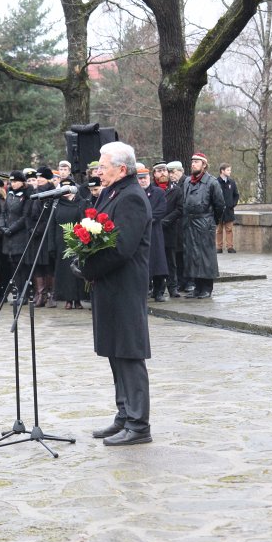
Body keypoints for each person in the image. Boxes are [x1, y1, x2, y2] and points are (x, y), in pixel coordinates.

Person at [78, 141, 152, 447]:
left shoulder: (132, 197)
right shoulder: (112, 192)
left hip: (124, 286)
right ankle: (124, 416)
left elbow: (121, 248)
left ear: (122, 169)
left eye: (103, 166)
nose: (98, 171)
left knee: (129, 355)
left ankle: (138, 424)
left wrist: (88, 269)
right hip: (109, 287)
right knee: (114, 352)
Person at [182, 152, 225, 299]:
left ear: (204, 165)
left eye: (196, 162)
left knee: (206, 255)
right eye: (192, 161)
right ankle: (197, 286)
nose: (193, 164)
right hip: (190, 222)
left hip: (205, 222)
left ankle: (207, 287)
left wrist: (212, 221)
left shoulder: (212, 182)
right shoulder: (187, 181)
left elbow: (219, 205)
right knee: (192, 255)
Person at [48, 178, 88, 309]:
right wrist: (51, 245)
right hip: (62, 242)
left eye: (68, 189)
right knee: (65, 272)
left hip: (78, 241)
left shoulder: (82, 203)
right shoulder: (56, 204)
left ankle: (78, 299)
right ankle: (68, 299)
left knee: (77, 270)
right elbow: (52, 226)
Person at [137, 164, 169, 302]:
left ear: (149, 178)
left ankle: (159, 291)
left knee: (158, 262)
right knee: (144, 264)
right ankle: (144, 290)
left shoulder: (158, 192)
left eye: (144, 178)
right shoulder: (135, 193)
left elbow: (162, 210)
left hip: (154, 231)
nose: (143, 181)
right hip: (139, 232)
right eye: (140, 179)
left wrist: (147, 219)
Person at [0, 170, 31, 299]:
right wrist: (2, 226)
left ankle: (24, 293)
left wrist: (11, 229)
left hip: (20, 235)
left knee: (21, 266)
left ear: (22, 182)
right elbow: (4, 212)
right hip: (9, 236)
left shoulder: (26, 195)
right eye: (11, 181)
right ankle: (17, 292)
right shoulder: (10, 194)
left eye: (16, 181)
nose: (13, 184)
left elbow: (25, 217)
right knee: (13, 266)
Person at [26, 166, 55, 307]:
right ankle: (40, 293)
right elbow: (27, 214)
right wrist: (31, 228)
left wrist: (39, 229)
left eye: (41, 177)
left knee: (48, 264)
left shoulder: (52, 193)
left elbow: (50, 215)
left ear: (48, 179)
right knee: (37, 264)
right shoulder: (34, 192)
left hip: (46, 234)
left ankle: (50, 294)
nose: (38, 180)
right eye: (37, 177)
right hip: (34, 235)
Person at [153, 161, 182, 298]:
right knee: (157, 260)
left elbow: (179, 209)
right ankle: (157, 289)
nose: (163, 173)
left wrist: (167, 220)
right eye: (159, 171)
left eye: (164, 170)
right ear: (154, 174)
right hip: (154, 230)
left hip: (170, 229)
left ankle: (173, 287)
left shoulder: (175, 189)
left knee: (171, 260)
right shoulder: (151, 190)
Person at [167, 161, 187, 291]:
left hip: (184, 223)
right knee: (178, 254)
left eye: (173, 172)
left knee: (184, 254)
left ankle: (186, 281)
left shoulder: (186, 183)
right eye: (170, 172)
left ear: (181, 171)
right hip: (177, 224)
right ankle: (181, 282)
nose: (171, 175)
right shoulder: (173, 185)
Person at [216, 163, 239, 253]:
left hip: (229, 210)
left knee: (229, 229)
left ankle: (230, 246)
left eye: (230, 170)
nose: (230, 172)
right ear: (222, 171)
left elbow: (236, 195)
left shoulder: (232, 182)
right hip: (219, 210)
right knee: (219, 230)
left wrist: (232, 204)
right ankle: (219, 247)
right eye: (228, 170)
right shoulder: (216, 182)